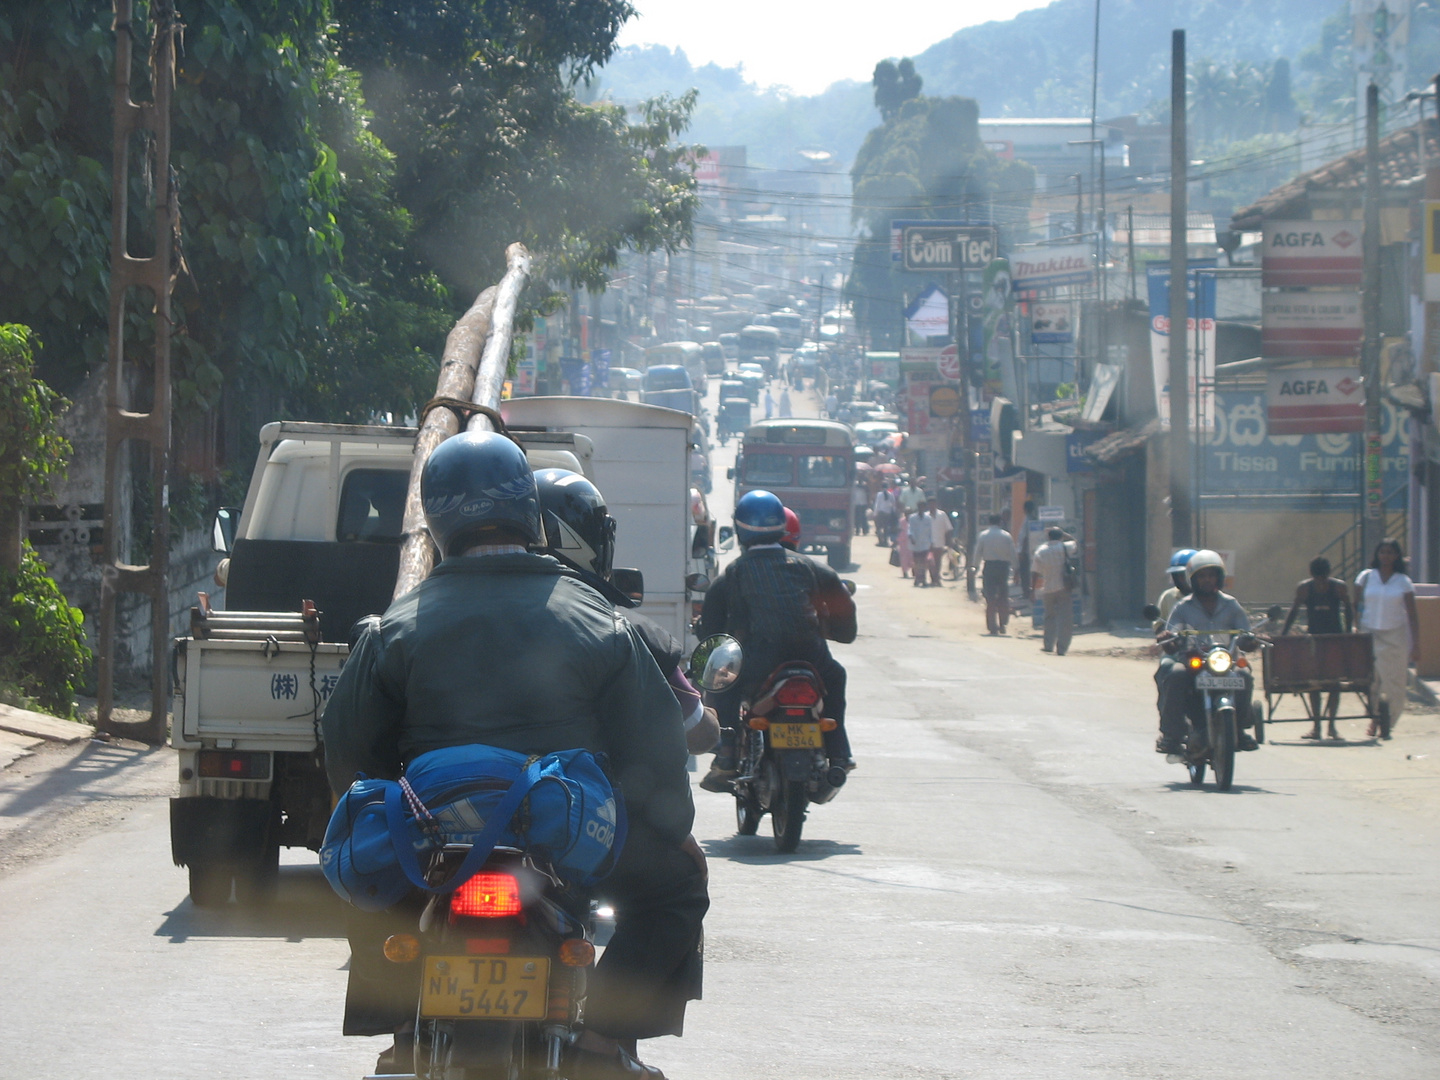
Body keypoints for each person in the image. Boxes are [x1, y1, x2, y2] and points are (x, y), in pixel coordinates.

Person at [321, 432, 703, 1080]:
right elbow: (658, 752)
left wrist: (368, 818)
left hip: (434, 842)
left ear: (438, 520)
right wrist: (666, 829)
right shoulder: (602, 622)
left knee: (365, 875)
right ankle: (606, 1040)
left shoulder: (394, 627)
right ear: (529, 511)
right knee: (680, 884)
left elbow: (348, 748)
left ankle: (405, 1029)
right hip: (563, 840)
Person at [534, 467, 720, 756]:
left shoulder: (464, 616)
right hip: (590, 797)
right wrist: (712, 721)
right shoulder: (627, 630)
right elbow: (699, 734)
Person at [698, 490, 858, 790]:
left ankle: (728, 754)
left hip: (757, 663)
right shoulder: (809, 566)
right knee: (836, 677)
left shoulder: (733, 573)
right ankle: (839, 753)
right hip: (811, 659)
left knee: (722, 682)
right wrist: (840, 631)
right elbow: (842, 602)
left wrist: (710, 648)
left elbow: (712, 632)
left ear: (740, 528)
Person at [1153, 549, 1259, 755]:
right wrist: (1167, 639)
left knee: (1245, 675)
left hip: (1224, 661)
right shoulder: (1183, 606)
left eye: (1211, 575)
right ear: (1193, 579)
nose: (1207, 580)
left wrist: (1251, 639)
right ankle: (1171, 735)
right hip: (1194, 661)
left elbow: (1246, 634)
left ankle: (1239, 729)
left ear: (1219, 577)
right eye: (1201, 576)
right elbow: (1172, 633)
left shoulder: (1231, 605)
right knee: (1175, 675)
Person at [1281, 556, 1352, 740]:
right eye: (1318, 578)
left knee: (1334, 684)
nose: (1320, 582)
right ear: (1313, 575)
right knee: (1314, 683)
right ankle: (1318, 726)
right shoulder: (1306, 588)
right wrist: (1283, 635)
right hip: (1314, 640)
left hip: (1333, 639)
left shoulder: (1338, 587)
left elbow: (1349, 608)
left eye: (1323, 578)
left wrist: (1348, 633)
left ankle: (1330, 726)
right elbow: (1294, 611)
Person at [1354, 539, 1419, 738]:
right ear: (1377, 554)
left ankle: (1387, 722)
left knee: (1395, 685)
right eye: (1383, 552)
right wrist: (1356, 628)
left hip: (1395, 637)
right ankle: (1375, 717)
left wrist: (1416, 645)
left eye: (1390, 552)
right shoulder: (1366, 577)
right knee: (1371, 682)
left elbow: (1412, 615)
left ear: (1397, 556)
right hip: (1369, 634)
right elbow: (1355, 605)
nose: (1386, 556)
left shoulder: (1403, 581)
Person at [1031, 527, 1077, 655]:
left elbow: (1035, 572)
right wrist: (1066, 534)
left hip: (1048, 588)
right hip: (1064, 586)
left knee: (1049, 617)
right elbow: (1076, 542)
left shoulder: (1041, 550)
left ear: (1048, 537)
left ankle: (1048, 645)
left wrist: (1032, 589)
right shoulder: (1065, 547)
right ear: (1060, 537)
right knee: (1065, 618)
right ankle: (1062, 648)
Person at [973, 514, 1017, 634]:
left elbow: (978, 552)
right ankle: (1003, 624)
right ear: (1000, 522)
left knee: (990, 598)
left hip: (989, 567)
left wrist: (975, 567)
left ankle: (992, 626)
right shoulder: (1006, 536)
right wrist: (1016, 569)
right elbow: (1013, 553)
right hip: (1003, 567)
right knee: (1003, 596)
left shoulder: (983, 535)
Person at [1153, 549, 1197, 630]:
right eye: (1177, 576)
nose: (1180, 580)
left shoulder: (1214, 598)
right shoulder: (1168, 596)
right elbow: (1159, 624)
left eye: (1184, 575)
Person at [907, 502, 934, 588]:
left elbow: (931, 531)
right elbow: (910, 529)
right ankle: (917, 578)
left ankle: (924, 579)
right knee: (916, 562)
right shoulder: (912, 518)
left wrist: (931, 542)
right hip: (915, 543)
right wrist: (911, 537)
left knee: (924, 562)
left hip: (925, 543)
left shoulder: (928, 518)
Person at [926, 498, 951, 588]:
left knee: (938, 562)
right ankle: (934, 578)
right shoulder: (925, 516)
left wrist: (949, 541)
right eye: (930, 504)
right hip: (928, 544)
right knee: (930, 562)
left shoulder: (942, 515)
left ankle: (936, 578)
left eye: (933, 504)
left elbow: (948, 529)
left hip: (940, 542)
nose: (932, 506)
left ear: (936, 504)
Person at [895, 506, 914, 579]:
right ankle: (905, 572)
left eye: (909, 513)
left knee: (912, 557)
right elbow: (898, 530)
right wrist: (896, 540)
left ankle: (914, 570)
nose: (908, 515)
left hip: (912, 541)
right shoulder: (901, 521)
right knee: (903, 558)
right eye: (906, 513)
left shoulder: (914, 521)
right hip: (903, 542)